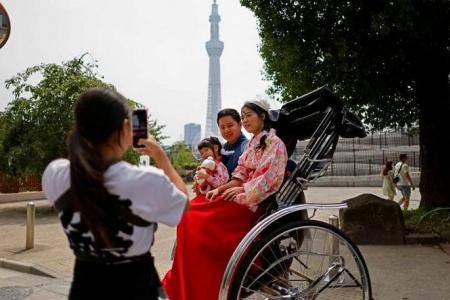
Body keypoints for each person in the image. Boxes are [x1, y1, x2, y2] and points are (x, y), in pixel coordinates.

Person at [41, 88, 189, 300]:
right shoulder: (147, 180)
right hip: (135, 286)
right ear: (126, 128)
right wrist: (160, 156)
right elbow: (183, 205)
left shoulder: (55, 173)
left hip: (84, 286)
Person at [162, 99, 288, 300]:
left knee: (196, 220)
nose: (246, 120)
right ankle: (187, 279)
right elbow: (238, 175)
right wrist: (220, 190)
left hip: (254, 200)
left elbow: (268, 179)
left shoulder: (274, 143)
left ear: (263, 116)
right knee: (189, 210)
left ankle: (204, 281)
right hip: (240, 193)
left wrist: (241, 190)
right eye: (244, 116)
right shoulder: (253, 144)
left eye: (248, 116)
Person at [217, 108, 249, 175]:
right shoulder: (221, 148)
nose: (226, 130)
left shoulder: (247, 147)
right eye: (222, 127)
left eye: (230, 125)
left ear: (240, 125)